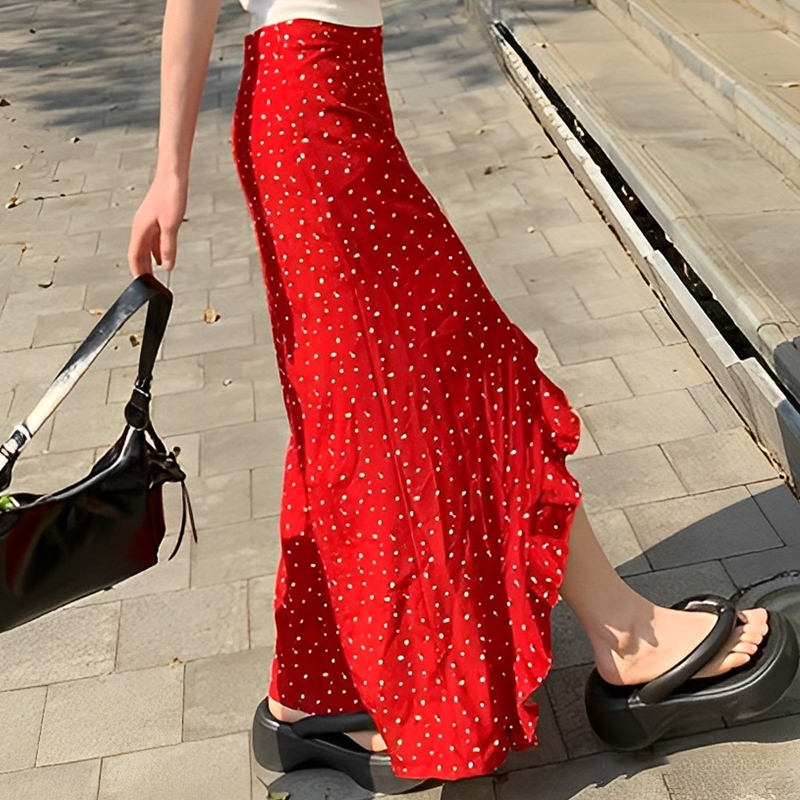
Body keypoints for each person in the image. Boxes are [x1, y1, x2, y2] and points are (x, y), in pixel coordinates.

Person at [127, 0, 772, 789]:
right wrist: (169, 172)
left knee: (365, 409)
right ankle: (623, 631)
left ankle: (314, 692)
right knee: (455, 372)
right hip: (314, 113)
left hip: (333, 98)